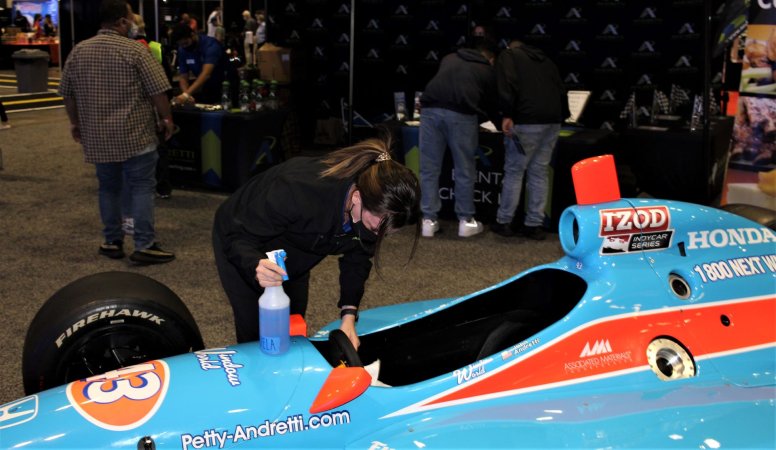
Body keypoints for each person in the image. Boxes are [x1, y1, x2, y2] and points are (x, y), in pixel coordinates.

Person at [212, 136, 421, 347]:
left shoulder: (372, 202)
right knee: (257, 333)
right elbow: (237, 236)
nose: (377, 237)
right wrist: (254, 264)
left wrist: (348, 318)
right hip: (242, 234)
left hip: (299, 244)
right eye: (375, 228)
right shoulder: (298, 190)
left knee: (292, 328)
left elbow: (357, 258)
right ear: (356, 198)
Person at [59, 0, 175, 264]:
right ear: (122, 22)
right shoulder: (135, 51)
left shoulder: (79, 51)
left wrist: (76, 123)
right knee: (142, 187)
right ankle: (144, 243)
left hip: (98, 137)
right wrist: (166, 118)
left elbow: (68, 95)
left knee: (108, 188)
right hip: (136, 134)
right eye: (131, 18)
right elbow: (158, 91)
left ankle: (112, 241)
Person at [418, 40, 498, 238]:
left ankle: (428, 220)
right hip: (461, 114)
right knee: (464, 169)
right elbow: (490, 102)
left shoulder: (449, 58)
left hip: (428, 111)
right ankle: (466, 221)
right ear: (490, 58)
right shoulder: (485, 69)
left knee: (429, 168)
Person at [490, 40, 569, 240]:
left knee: (515, 172)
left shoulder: (508, 56)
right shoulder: (546, 60)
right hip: (553, 120)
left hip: (526, 120)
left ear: (511, 47)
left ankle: (504, 221)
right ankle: (534, 224)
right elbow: (561, 89)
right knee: (539, 172)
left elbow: (506, 83)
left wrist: (507, 113)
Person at [170, 23, 227, 105]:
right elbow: (183, 77)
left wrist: (186, 94)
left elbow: (206, 74)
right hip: (206, 87)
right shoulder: (182, 50)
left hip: (225, 86)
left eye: (186, 43)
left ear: (193, 35)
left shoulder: (211, 45)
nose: (184, 46)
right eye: (181, 45)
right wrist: (186, 95)